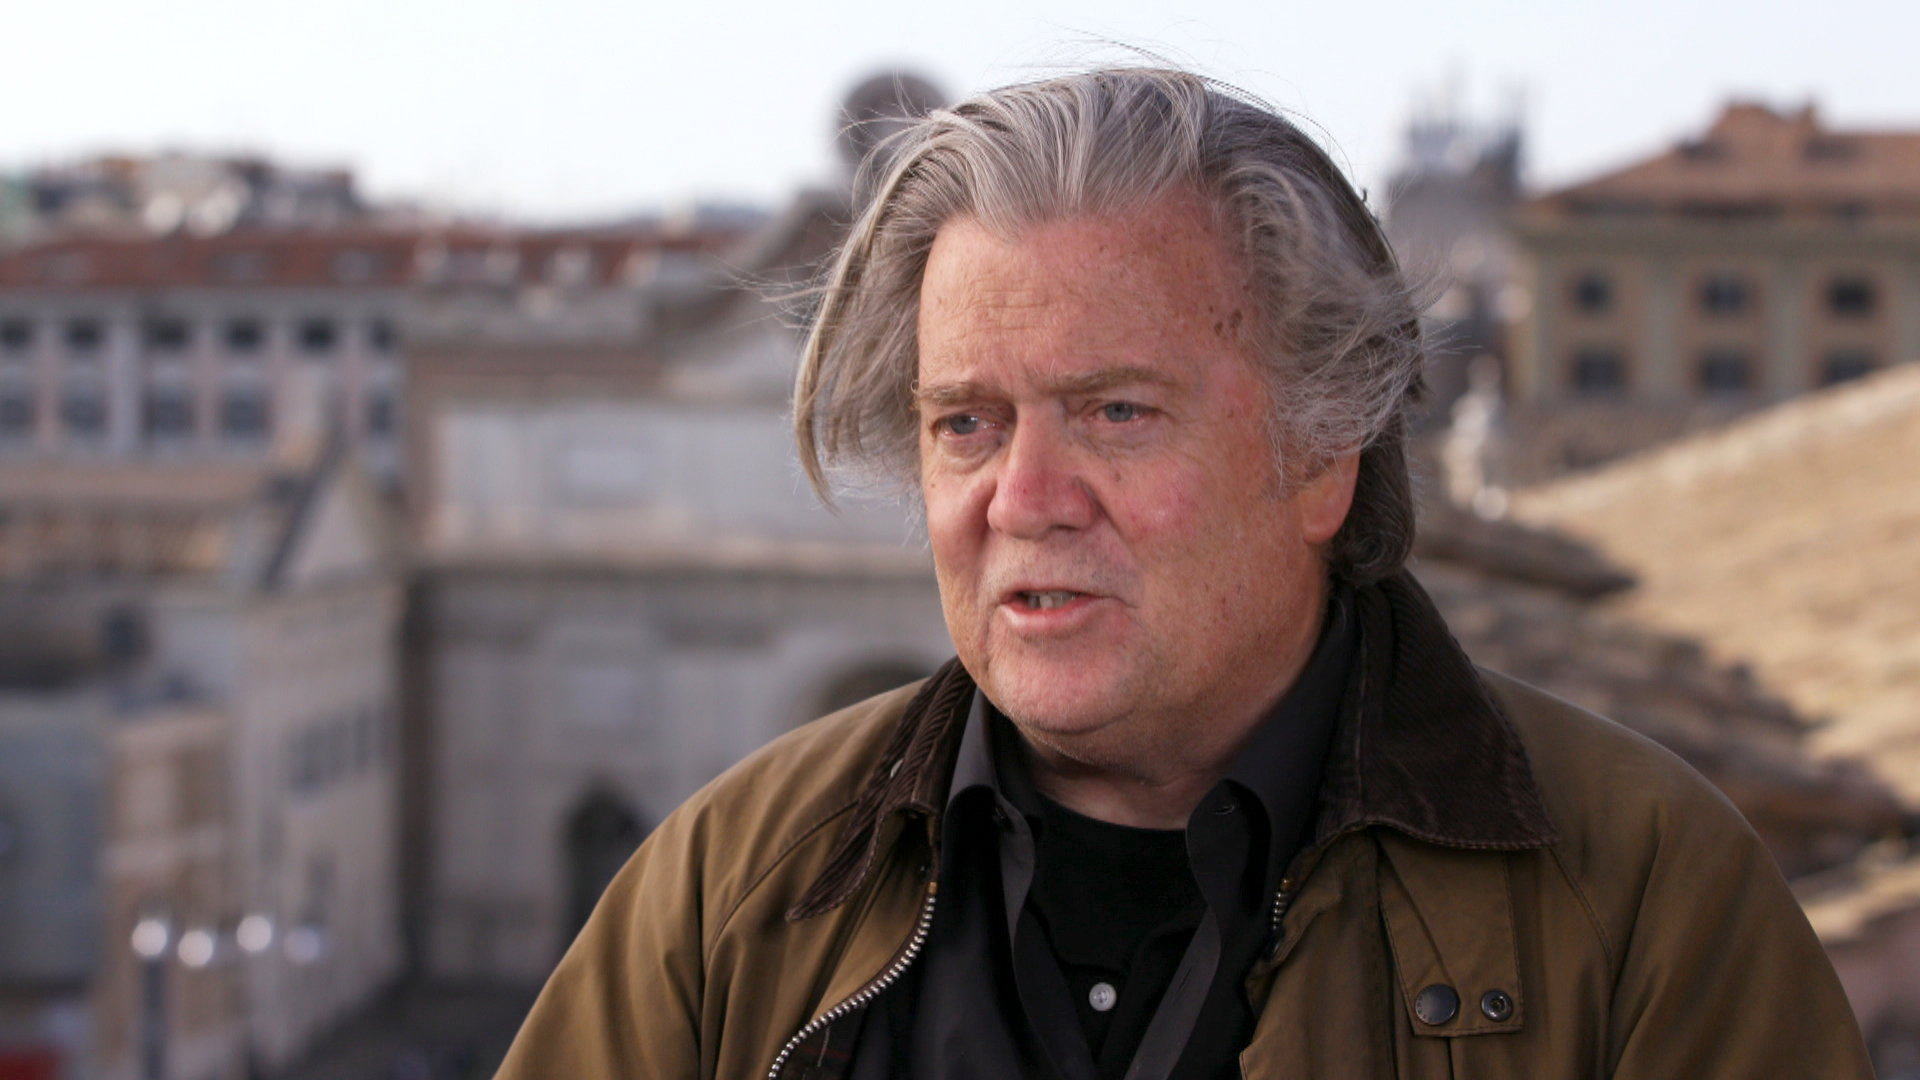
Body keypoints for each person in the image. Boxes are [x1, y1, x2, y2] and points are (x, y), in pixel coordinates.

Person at [494, 68, 1872, 1080]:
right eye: (966, 423)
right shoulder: (728, 891)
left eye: (1116, 412)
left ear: (1323, 454)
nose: (1022, 499)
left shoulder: (1645, 899)